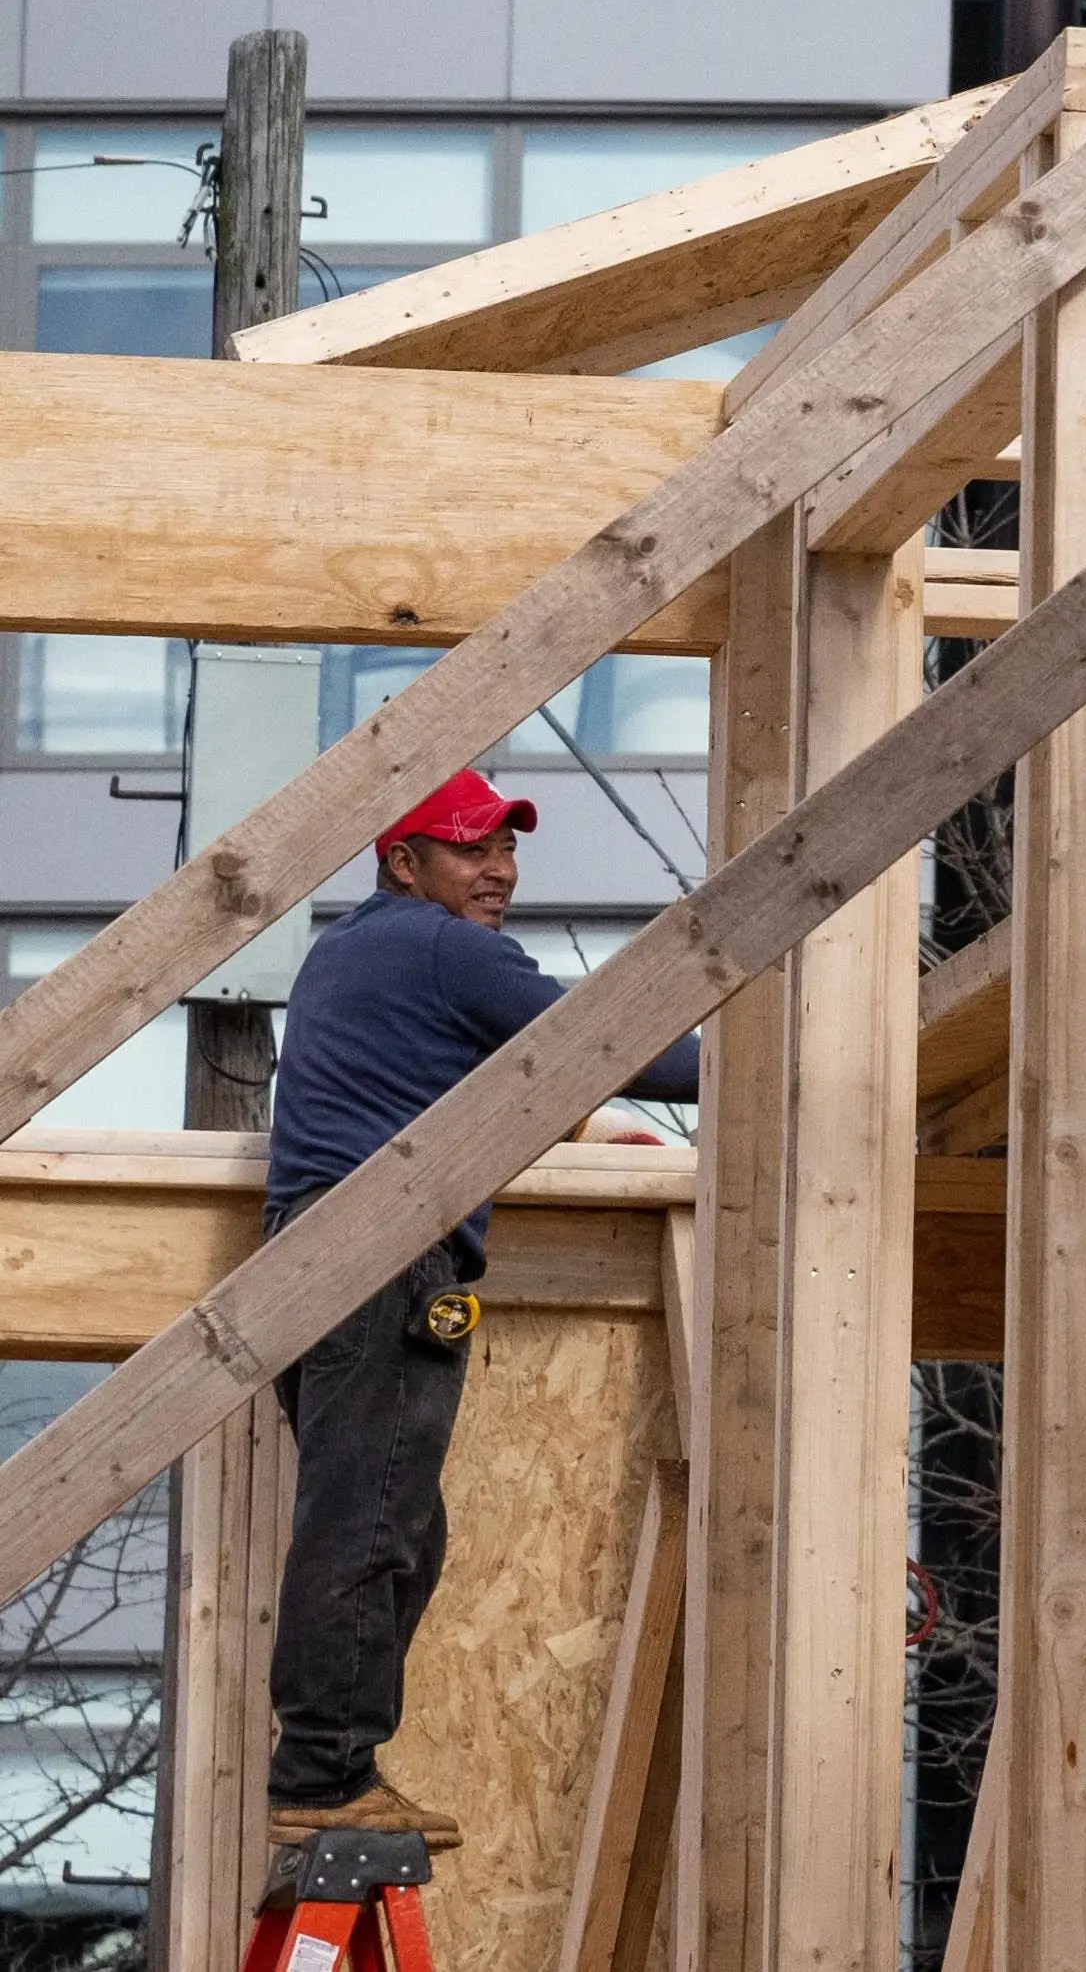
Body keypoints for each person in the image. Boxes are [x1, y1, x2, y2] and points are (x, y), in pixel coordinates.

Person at [257, 769, 700, 1849]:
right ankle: (321, 1774)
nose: (498, 871)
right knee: (371, 1524)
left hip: (309, 1262)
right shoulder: (445, 947)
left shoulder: (349, 955)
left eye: (506, 851)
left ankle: (335, 1762)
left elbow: (452, 1090)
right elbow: (641, 1052)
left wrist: (590, 1134)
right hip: (384, 1257)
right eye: (470, 850)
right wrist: (793, 1049)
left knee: (393, 1520)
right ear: (402, 862)